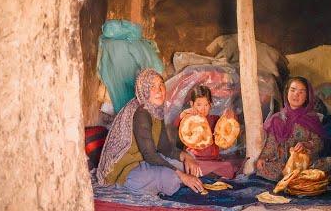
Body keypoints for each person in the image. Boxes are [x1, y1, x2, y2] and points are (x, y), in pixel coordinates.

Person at [96, 68, 205, 196]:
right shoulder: (141, 112)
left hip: (144, 160)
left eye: (161, 85)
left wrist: (186, 157)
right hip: (126, 170)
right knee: (171, 178)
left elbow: (165, 148)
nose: (159, 91)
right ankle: (128, 185)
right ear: (144, 90)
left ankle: (170, 175)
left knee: (189, 163)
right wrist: (182, 176)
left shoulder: (156, 110)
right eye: (152, 86)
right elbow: (150, 155)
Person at [255, 76, 331, 181]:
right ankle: (297, 177)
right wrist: (263, 157)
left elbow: (319, 144)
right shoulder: (277, 118)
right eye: (293, 90)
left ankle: (293, 177)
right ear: (287, 92)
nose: (296, 95)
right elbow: (271, 143)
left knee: (330, 162)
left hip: (305, 164)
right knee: (263, 167)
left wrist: (305, 144)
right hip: (283, 164)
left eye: (301, 92)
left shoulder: (311, 118)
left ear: (307, 96)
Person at [173, 85, 239, 179]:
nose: (203, 109)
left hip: (213, 160)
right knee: (192, 168)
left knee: (228, 167)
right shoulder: (188, 120)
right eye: (199, 105)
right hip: (195, 159)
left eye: (206, 105)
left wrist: (231, 116)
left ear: (210, 105)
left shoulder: (215, 119)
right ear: (192, 104)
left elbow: (229, 125)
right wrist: (182, 115)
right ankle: (207, 173)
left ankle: (209, 173)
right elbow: (175, 125)